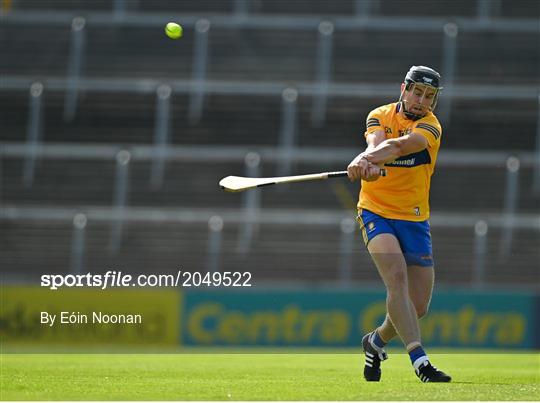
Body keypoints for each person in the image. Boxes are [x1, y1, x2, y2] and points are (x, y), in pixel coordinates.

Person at [347, 66, 451, 383]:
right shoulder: (378, 115)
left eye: (429, 96)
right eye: (417, 92)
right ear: (403, 89)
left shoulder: (430, 127)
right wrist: (365, 161)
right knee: (396, 280)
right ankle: (420, 361)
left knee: (417, 307)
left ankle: (376, 342)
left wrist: (369, 160)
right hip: (375, 212)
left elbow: (399, 147)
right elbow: (377, 142)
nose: (422, 101)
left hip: (415, 219)